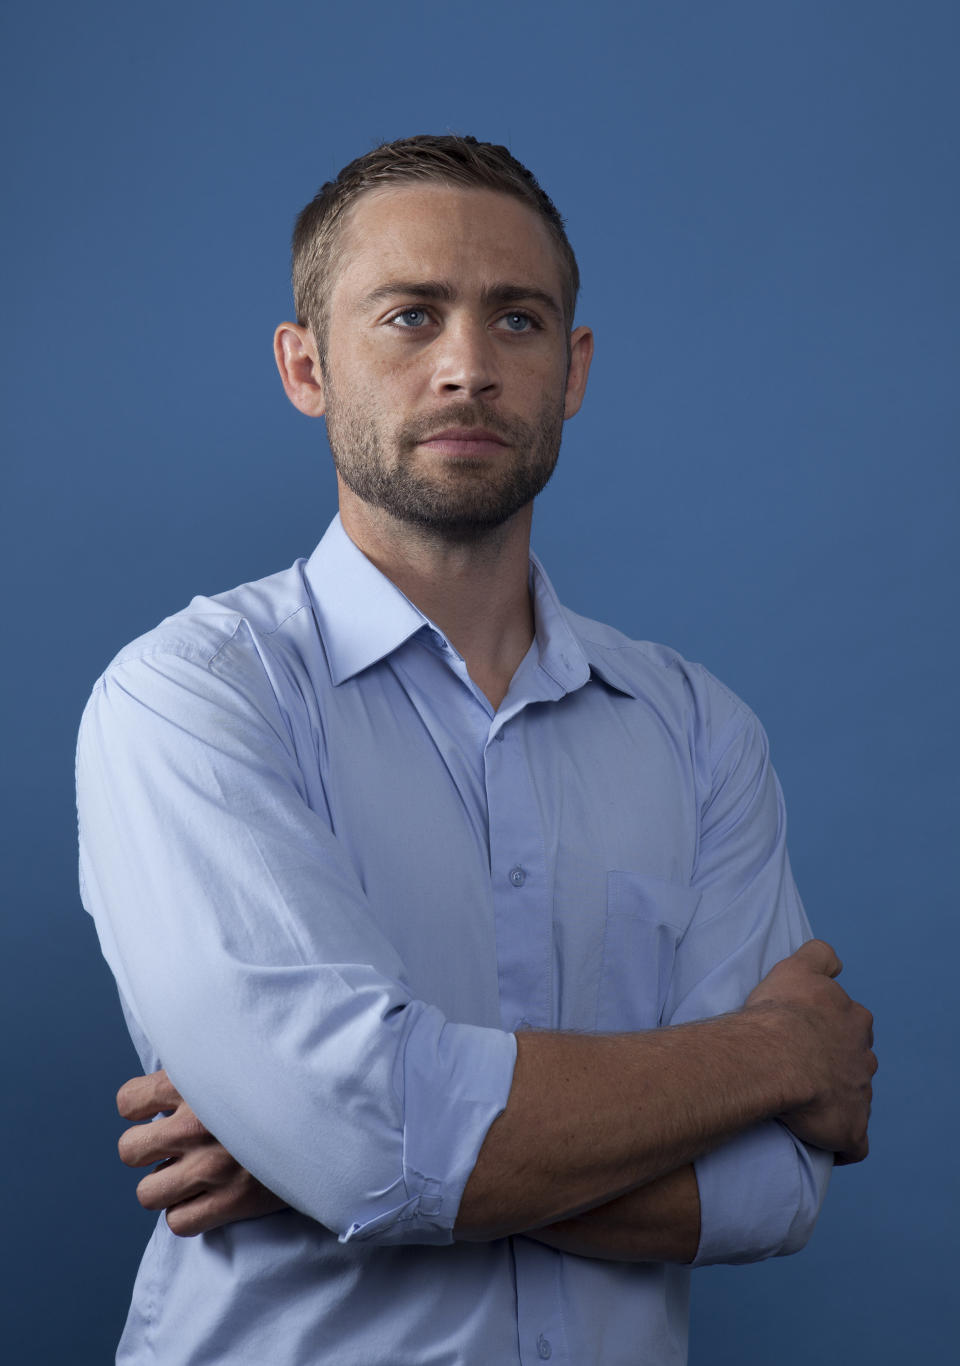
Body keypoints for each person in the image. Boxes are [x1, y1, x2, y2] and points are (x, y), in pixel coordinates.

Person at [77, 134, 876, 1366]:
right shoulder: (187, 696)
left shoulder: (698, 728)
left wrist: (312, 1161)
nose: (467, 367)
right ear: (306, 367)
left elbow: (774, 1189)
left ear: (573, 369)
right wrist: (775, 1054)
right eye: (409, 316)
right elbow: (365, 1142)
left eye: (517, 319)